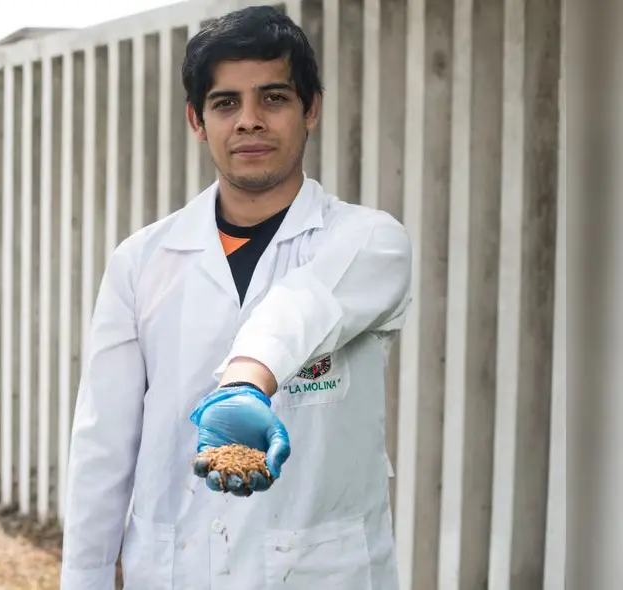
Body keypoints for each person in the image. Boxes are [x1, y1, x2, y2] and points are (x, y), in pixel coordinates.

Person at [60, 5, 412, 589]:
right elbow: (103, 446)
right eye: (226, 103)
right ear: (197, 120)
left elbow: (303, 306)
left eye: (273, 98)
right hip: (176, 569)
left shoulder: (369, 240)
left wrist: (246, 382)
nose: (249, 121)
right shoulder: (142, 261)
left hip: (321, 572)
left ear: (311, 110)